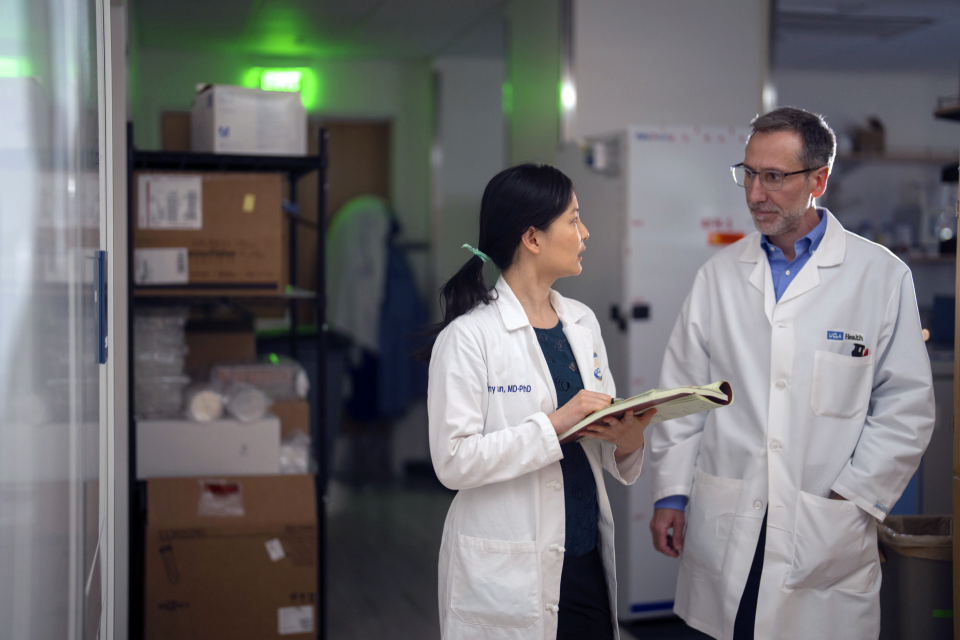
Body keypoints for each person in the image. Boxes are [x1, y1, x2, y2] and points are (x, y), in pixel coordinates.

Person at [647, 107, 935, 640]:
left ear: (818, 180)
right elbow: (682, 396)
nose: (755, 193)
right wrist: (671, 492)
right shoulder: (719, 276)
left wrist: (851, 498)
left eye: (774, 177)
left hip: (821, 523)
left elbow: (906, 407)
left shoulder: (880, 277)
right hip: (729, 517)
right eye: (749, 173)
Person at [426, 164, 656, 640]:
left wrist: (628, 441)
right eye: (573, 220)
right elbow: (452, 461)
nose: (585, 233)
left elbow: (600, 434)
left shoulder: (582, 322)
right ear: (532, 238)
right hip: (508, 570)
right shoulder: (468, 337)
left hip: (583, 556)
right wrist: (551, 427)